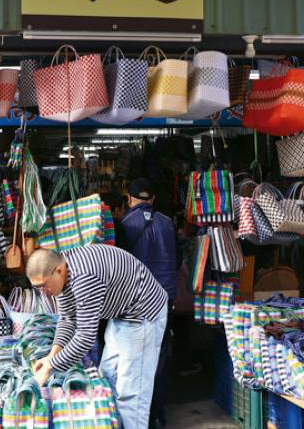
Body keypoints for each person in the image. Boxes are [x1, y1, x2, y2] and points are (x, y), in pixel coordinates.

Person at [26, 245, 168, 429]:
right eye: (37, 288)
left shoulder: (84, 278)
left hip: (142, 315)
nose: (42, 292)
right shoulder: (62, 272)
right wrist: (51, 357)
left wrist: (50, 368)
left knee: (131, 394)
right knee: (107, 378)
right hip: (120, 314)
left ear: (59, 271)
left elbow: (85, 337)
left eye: (43, 285)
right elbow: (69, 319)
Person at [117, 177, 178, 429]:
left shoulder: (123, 225)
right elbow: (178, 260)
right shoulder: (168, 224)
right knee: (159, 357)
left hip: (135, 301)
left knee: (133, 360)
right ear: (152, 199)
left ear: (129, 199)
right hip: (165, 299)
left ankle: (137, 417)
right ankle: (157, 412)